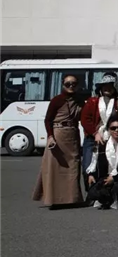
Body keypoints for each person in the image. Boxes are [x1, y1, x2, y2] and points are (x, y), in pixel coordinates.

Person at [32, 74, 84, 209]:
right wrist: (50, 136)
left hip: (72, 135)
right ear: (62, 84)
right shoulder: (57, 100)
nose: (71, 86)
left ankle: (72, 198)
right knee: (54, 168)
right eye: (68, 84)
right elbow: (48, 120)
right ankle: (54, 199)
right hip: (58, 135)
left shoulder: (79, 100)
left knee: (73, 167)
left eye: (74, 84)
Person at [80, 73, 118, 183]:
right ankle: (90, 189)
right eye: (105, 86)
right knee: (88, 165)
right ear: (100, 88)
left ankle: (108, 189)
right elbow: (85, 119)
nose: (107, 89)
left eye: (110, 86)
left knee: (109, 165)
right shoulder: (92, 102)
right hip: (93, 138)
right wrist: (95, 134)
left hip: (112, 137)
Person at [86, 115, 118, 210]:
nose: (117, 130)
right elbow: (95, 161)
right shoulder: (103, 144)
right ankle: (108, 198)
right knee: (93, 191)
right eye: (113, 128)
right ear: (109, 130)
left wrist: (114, 178)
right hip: (107, 176)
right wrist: (91, 174)